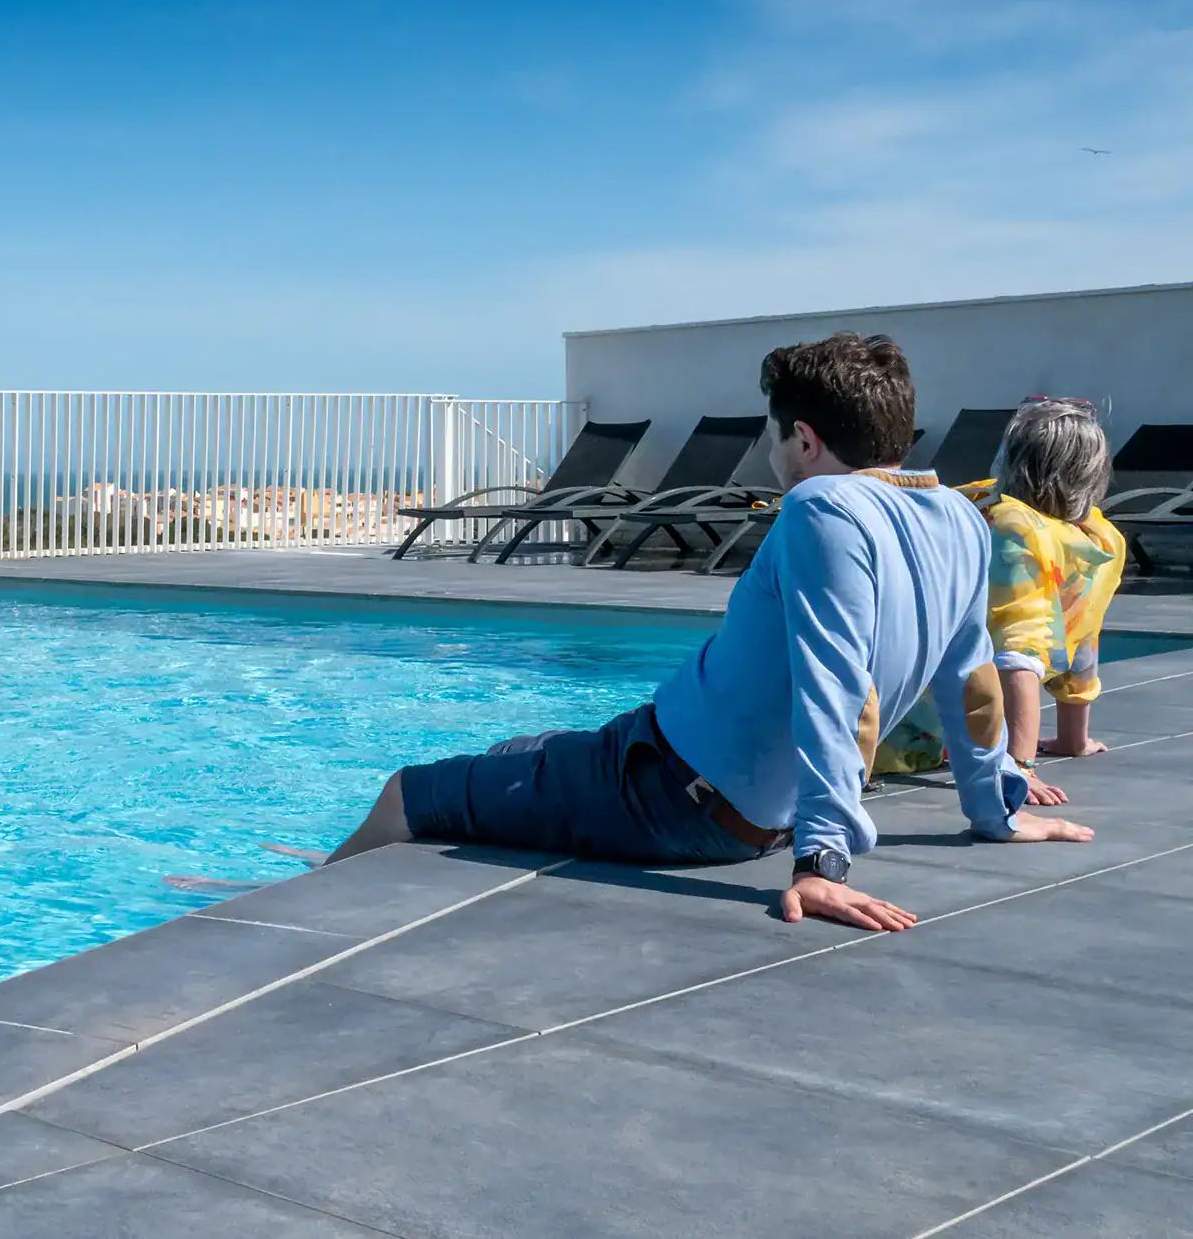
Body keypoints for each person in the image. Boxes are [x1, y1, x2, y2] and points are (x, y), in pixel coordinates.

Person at [330, 333, 1094, 931]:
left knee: (408, 792)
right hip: (680, 774)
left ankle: (293, 900)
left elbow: (835, 684)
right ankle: (340, 858)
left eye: (773, 439)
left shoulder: (820, 507)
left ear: (804, 439)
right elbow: (974, 681)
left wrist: (823, 860)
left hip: (669, 794)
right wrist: (994, 809)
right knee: (516, 752)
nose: (771, 457)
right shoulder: (961, 518)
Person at [875, 397, 1126, 806]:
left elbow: (1017, 659)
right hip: (949, 728)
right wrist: (1072, 738)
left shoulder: (1009, 527)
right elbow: (1080, 642)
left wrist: (1018, 767)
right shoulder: (1098, 540)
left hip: (907, 730)